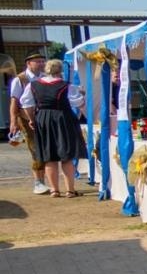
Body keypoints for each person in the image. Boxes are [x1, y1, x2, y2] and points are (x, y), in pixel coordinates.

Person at [21, 59, 88, 198]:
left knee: (49, 155)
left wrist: (32, 119)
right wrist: (89, 115)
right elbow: (79, 102)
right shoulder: (66, 86)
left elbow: (26, 104)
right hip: (63, 117)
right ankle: (70, 190)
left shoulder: (33, 85)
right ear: (60, 71)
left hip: (43, 119)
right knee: (66, 155)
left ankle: (54, 190)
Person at [8, 51, 48, 194]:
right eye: (37, 61)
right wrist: (13, 122)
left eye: (42, 61)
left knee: (46, 148)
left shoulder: (46, 77)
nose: (41, 64)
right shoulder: (20, 79)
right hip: (26, 119)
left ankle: (45, 180)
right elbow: (14, 101)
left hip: (44, 117)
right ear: (28, 63)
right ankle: (38, 182)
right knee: (36, 149)